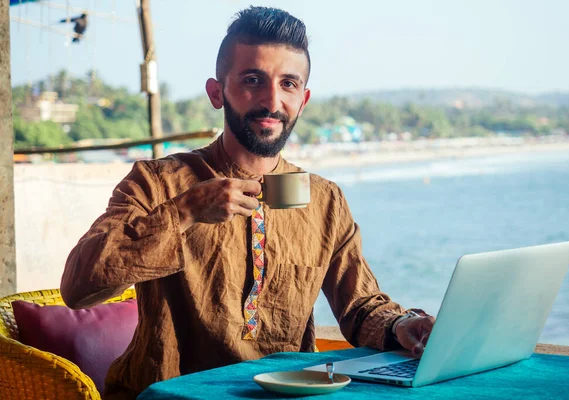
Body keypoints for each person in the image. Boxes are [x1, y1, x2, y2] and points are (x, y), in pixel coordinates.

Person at [61, 6, 435, 399]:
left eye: (288, 83)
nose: (271, 101)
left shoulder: (324, 199)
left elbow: (360, 306)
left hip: (287, 394)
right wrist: (185, 212)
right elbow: (79, 287)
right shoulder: (156, 182)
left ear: (303, 100)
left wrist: (401, 326)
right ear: (216, 92)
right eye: (253, 80)